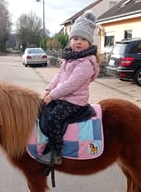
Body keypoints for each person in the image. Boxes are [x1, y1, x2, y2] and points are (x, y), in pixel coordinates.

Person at [37, 10, 100, 166]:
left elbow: (71, 84)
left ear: (89, 43)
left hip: (74, 101)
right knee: (42, 109)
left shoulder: (86, 63)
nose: (78, 42)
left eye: (83, 39)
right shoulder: (70, 58)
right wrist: (48, 89)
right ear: (70, 40)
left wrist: (53, 95)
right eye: (75, 38)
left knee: (54, 117)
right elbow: (59, 76)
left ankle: (56, 153)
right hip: (63, 97)